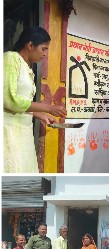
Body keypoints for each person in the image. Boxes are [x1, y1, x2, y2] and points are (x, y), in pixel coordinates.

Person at [4, 26, 67, 173]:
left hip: (22, 135)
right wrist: (48, 108)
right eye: (43, 49)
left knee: (25, 180)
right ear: (30, 45)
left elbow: (18, 105)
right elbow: (8, 99)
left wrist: (39, 115)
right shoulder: (11, 58)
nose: (45, 54)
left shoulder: (27, 68)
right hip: (8, 133)